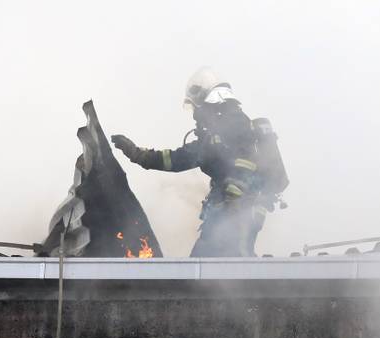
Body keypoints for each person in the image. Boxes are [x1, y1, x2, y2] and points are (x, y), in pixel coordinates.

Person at [111, 67, 288, 257]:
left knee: (224, 259)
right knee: (222, 258)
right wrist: (137, 154)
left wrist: (137, 154)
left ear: (207, 102)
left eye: (196, 108)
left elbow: (179, 160)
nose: (196, 115)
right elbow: (177, 159)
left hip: (236, 210)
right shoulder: (229, 129)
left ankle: (246, 285)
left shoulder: (227, 130)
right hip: (239, 210)